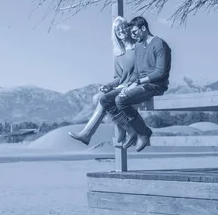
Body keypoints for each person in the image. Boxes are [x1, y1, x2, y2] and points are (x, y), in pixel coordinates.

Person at [100, 16, 172, 152]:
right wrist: (127, 85)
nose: (132, 35)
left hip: (155, 85)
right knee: (105, 99)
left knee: (121, 100)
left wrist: (137, 82)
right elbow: (136, 73)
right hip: (139, 84)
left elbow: (160, 73)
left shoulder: (159, 44)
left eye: (134, 32)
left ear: (143, 28)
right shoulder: (139, 46)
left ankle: (143, 132)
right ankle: (131, 130)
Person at [68, 16, 136, 145]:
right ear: (115, 33)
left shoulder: (137, 48)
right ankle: (119, 126)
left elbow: (141, 71)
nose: (121, 31)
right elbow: (118, 77)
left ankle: (88, 133)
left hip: (133, 87)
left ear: (128, 28)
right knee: (96, 98)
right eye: (117, 30)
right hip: (121, 87)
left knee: (102, 100)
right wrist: (108, 85)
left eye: (123, 27)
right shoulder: (119, 53)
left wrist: (126, 84)